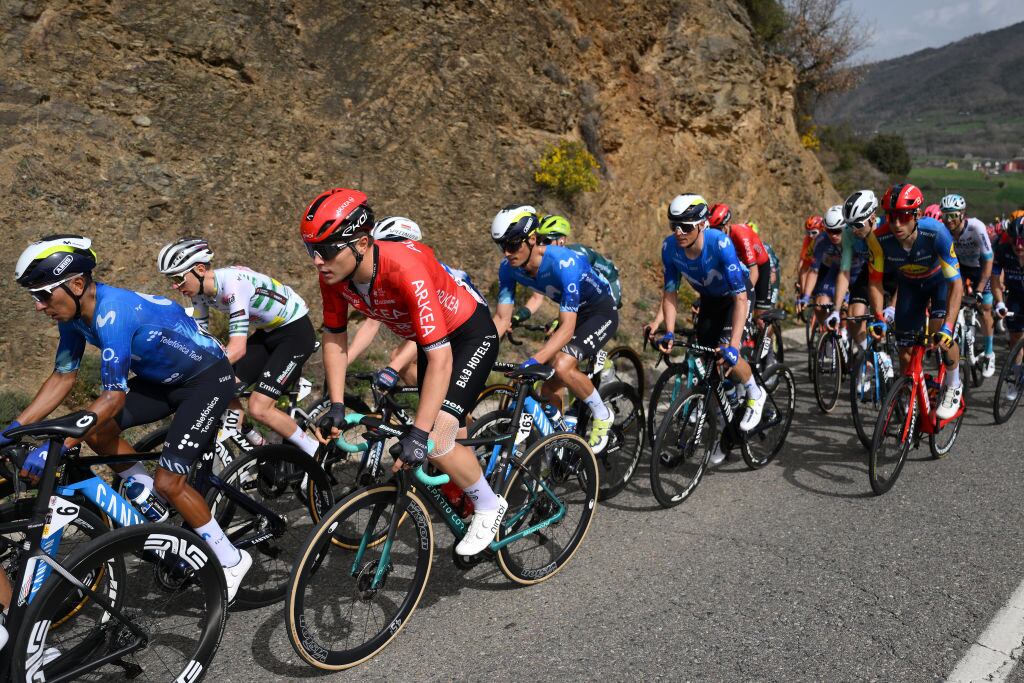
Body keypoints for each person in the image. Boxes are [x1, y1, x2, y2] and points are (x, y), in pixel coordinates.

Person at [0, 236, 252, 636]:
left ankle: (231, 559)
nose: (39, 306)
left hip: (206, 380)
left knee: (172, 480)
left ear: (77, 284)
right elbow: (64, 376)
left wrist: (61, 442)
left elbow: (113, 397)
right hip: (162, 381)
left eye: (44, 295)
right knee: (96, 429)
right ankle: (143, 489)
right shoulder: (74, 318)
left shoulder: (112, 314)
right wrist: (13, 431)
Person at [302, 189, 504, 556]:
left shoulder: (404, 268)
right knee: (442, 434)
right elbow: (335, 335)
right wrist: (334, 402)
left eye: (327, 249)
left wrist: (420, 433)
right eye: (310, 250)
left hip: (468, 335)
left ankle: (490, 505)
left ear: (362, 243)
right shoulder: (335, 274)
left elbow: (441, 359)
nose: (318, 261)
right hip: (432, 342)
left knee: (435, 439)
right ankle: (467, 484)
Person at [156, 238, 320, 455]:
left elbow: (237, 349)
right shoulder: (199, 294)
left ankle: (315, 452)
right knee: (222, 383)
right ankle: (252, 438)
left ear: (200, 269)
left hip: (295, 332)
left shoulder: (233, 286)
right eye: (171, 280)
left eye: (178, 278)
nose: (175, 286)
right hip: (268, 332)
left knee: (259, 407)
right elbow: (200, 339)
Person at [646, 194, 766, 465]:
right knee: (708, 365)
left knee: (726, 353)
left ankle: (755, 393)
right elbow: (670, 293)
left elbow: (740, 298)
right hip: (711, 302)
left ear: (702, 225)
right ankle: (727, 420)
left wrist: (735, 345)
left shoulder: (720, 243)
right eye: (673, 225)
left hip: (736, 298)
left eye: (685, 227)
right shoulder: (670, 248)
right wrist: (669, 330)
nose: (678, 232)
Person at [490, 205, 618, 451]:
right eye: (501, 246)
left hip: (599, 311)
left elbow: (567, 328)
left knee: (561, 364)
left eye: (513, 244)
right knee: (548, 386)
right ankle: (559, 442)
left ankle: (603, 415)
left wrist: (534, 360)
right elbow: (501, 319)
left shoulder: (564, 262)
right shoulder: (508, 269)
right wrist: (480, 354)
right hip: (572, 312)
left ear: (532, 239)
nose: (507, 252)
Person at [346, 216, 487, 388]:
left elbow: (428, 327)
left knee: (404, 361)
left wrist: (392, 369)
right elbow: (371, 325)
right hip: (440, 325)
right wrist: (343, 363)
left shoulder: (416, 273)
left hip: (468, 325)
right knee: (400, 359)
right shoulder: (386, 276)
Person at [866, 183, 964, 419]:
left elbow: (956, 284)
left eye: (903, 216)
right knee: (905, 352)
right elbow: (875, 282)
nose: (897, 223)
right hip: (909, 286)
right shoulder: (878, 238)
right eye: (891, 216)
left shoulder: (937, 232)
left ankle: (954, 383)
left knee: (941, 336)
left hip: (939, 283)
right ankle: (909, 396)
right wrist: (879, 316)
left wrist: (949, 326)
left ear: (917, 215)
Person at [511, 214, 622, 332]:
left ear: (561, 242)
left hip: (609, 282)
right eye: (538, 240)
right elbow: (536, 297)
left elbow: (579, 298)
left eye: (546, 240)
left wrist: (559, 320)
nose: (541, 244)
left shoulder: (575, 256)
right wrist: (518, 317)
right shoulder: (545, 262)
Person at [938, 193, 996, 377]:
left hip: (980, 268)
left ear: (963, 214)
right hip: (960, 268)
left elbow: (989, 259)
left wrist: (979, 289)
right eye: (945, 215)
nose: (949, 220)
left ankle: (989, 352)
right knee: (951, 301)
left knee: (985, 306)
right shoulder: (943, 231)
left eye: (953, 215)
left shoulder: (976, 227)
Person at [830, 190, 879, 353]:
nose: (854, 230)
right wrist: (836, 311)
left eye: (857, 225)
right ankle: (870, 356)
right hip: (870, 271)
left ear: (872, 217)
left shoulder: (885, 231)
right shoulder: (849, 234)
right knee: (853, 316)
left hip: (893, 272)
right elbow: (845, 271)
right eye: (849, 225)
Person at [796, 205, 847, 333]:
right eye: (830, 230)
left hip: (851, 272)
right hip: (831, 270)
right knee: (819, 305)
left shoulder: (853, 239)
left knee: (848, 307)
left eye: (838, 230)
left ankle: (845, 332)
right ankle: (826, 333)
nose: (833, 235)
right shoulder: (820, 240)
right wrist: (805, 296)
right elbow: (810, 269)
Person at [991, 216, 1024, 400]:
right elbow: (995, 279)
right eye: (1015, 241)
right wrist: (1000, 302)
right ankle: (1016, 378)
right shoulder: (1003, 250)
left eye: (1023, 242)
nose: (1018, 246)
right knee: (1015, 338)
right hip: (1016, 295)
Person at [795, 215, 824, 300]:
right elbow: (803, 265)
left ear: (822, 230)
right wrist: (803, 291)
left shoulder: (828, 238)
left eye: (814, 232)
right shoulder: (808, 240)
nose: (811, 236)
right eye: (808, 233)